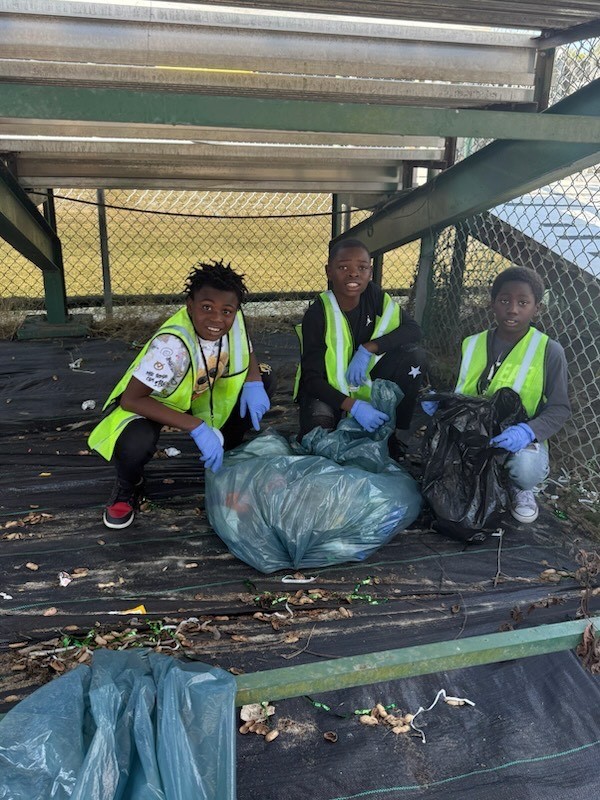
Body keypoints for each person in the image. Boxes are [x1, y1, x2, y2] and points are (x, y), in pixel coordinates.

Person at [88, 259, 272, 530]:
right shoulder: (171, 345)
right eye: (206, 307)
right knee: (136, 441)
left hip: (202, 396)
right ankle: (128, 486)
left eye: (227, 311)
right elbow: (131, 399)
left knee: (265, 381)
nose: (217, 319)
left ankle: (227, 454)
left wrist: (254, 381)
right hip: (156, 402)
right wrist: (196, 427)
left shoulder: (235, 322)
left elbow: (246, 347)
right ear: (189, 305)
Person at [422, 266, 570, 524]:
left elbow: (560, 408)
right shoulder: (471, 343)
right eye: (504, 301)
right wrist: (441, 403)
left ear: (537, 308)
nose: (512, 309)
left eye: (523, 303)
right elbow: (462, 392)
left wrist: (527, 431)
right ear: (492, 304)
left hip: (515, 436)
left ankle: (518, 487)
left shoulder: (550, 350)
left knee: (526, 469)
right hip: (475, 432)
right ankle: (475, 476)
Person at [294, 238, 425, 455]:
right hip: (327, 390)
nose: (353, 274)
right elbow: (312, 379)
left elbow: (414, 330)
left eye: (362, 268)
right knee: (319, 441)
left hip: (365, 381)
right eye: (343, 267)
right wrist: (354, 406)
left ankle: (394, 435)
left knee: (414, 356)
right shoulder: (317, 314)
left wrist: (369, 348)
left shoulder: (374, 296)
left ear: (370, 273)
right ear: (328, 272)